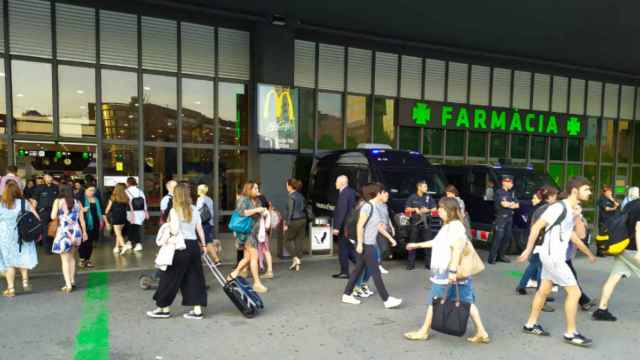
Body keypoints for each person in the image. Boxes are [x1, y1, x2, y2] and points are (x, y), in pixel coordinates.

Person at [518, 176, 597, 347]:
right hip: (553, 257)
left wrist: (588, 252)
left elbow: (576, 236)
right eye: (586, 189)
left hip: (552, 257)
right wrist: (528, 249)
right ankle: (571, 333)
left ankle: (530, 324)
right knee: (575, 293)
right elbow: (536, 226)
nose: (589, 192)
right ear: (575, 191)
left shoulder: (571, 210)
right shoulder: (557, 208)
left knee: (544, 290)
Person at [404, 197, 490, 344]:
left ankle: (423, 331)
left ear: (451, 211)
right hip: (455, 273)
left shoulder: (455, 227)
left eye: (442, 208)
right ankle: (482, 332)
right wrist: (416, 245)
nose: (439, 211)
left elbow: (457, 249)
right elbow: (436, 242)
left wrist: (452, 272)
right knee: (467, 302)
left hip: (448, 272)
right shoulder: (449, 226)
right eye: (439, 208)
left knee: (434, 301)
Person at [147, 183, 207, 320]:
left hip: (179, 248)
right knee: (194, 278)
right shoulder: (194, 209)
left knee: (169, 278)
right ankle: (197, 311)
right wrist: (203, 246)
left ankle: (163, 308)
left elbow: (174, 231)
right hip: (193, 247)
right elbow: (200, 230)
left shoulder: (174, 210)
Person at [342, 183, 402, 309]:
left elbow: (378, 226)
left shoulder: (375, 206)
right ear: (377, 193)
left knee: (358, 269)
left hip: (368, 244)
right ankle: (386, 300)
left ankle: (346, 295)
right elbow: (360, 225)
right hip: (366, 244)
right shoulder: (367, 207)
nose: (386, 194)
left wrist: (391, 238)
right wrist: (359, 243)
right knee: (375, 272)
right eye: (383, 192)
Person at [592, 197, 640, 321]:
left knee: (614, 277)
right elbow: (638, 228)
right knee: (614, 277)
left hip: (622, 246)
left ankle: (601, 309)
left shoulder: (630, 204)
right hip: (634, 249)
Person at [516, 186, 559, 295]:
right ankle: (541, 290)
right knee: (541, 267)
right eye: (554, 196)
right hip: (542, 240)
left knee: (534, 264)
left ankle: (522, 285)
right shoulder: (547, 209)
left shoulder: (539, 208)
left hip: (537, 240)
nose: (556, 198)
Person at [228, 182, 269, 293]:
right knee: (254, 257)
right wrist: (257, 210)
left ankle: (233, 274)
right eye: (255, 188)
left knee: (247, 258)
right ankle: (257, 283)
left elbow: (260, 212)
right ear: (249, 189)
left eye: (257, 188)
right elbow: (242, 212)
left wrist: (263, 211)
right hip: (246, 233)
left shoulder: (257, 200)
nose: (257, 189)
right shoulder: (243, 199)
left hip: (253, 232)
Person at [0, 181, 39, 297]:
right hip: (23, 235)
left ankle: (11, 289)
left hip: (5, 237)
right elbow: (36, 217)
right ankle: (25, 282)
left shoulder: (1, 204)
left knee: (9, 263)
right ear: (18, 190)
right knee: (23, 257)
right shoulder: (24, 203)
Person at [51, 185, 88, 293]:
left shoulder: (58, 201)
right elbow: (82, 220)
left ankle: (68, 285)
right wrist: (84, 232)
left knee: (65, 260)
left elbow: (53, 216)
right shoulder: (77, 202)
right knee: (72, 257)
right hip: (76, 232)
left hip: (64, 232)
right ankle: (72, 281)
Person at [405, 180, 436, 270]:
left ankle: (428, 264)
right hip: (415, 223)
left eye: (426, 187)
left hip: (426, 222)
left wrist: (428, 210)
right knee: (412, 242)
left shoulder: (428, 197)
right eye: (424, 187)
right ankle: (410, 264)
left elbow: (435, 208)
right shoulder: (412, 197)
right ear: (419, 187)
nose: (426, 188)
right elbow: (406, 209)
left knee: (428, 243)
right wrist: (415, 209)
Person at [488, 175, 519, 264]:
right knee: (498, 238)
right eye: (509, 182)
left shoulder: (511, 193)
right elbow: (503, 204)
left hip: (509, 218)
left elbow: (517, 205)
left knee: (507, 238)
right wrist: (511, 204)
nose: (511, 184)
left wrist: (510, 204)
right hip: (501, 218)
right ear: (504, 182)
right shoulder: (499, 192)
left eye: (512, 182)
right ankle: (492, 258)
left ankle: (501, 256)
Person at [332, 175, 358, 279]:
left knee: (343, 249)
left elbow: (342, 212)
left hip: (344, 227)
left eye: (336, 182)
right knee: (349, 248)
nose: (335, 183)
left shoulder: (343, 194)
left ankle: (344, 272)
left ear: (342, 183)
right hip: (350, 225)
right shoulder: (351, 191)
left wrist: (337, 227)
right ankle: (363, 264)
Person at [30, 174, 59, 254]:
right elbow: (34, 201)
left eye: (50, 177)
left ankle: (54, 246)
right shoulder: (39, 188)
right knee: (45, 231)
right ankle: (47, 249)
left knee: (54, 229)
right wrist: (34, 212)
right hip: (43, 212)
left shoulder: (56, 187)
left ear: (52, 178)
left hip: (54, 211)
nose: (48, 179)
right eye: (47, 177)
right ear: (44, 178)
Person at [283, 178, 307, 272]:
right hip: (303, 220)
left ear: (289, 186)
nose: (286, 187)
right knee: (298, 241)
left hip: (294, 221)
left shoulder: (291, 196)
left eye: (286, 185)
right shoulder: (300, 195)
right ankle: (296, 263)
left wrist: (287, 224)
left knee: (286, 240)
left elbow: (290, 211)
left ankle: (295, 258)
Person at [80, 185, 103, 269]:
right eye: (90, 190)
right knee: (84, 242)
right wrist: (82, 210)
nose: (92, 192)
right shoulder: (81, 199)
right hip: (84, 223)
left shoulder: (96, 199)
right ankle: (82, 259)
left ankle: (87, 260)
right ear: (85, 190)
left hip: (95, 223)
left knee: (90, 243)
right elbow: (75, 210)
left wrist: (102, 221)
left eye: (93, 190)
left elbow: (99, 211)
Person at [104, 183, 131, 255]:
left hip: (115, 217)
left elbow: (107, 210)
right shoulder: (126, 197)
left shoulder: (113, 197)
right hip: (123, 217)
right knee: (119, 233)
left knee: (118, 234)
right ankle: (116, 247)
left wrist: (106, 214)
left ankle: (123, 245)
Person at [196, 184, 220, 265]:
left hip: (203, 223)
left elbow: (198, 212)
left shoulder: (200, 199)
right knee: (200, 240)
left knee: (207, 241)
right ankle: (201, 255)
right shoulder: (209, 199)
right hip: (209, 222)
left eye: (198, 189)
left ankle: (216, 259)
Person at [255, 184, 273, 279]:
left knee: (256, 249)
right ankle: (268, 270)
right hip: (264, 231)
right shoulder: (266, 208)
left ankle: (259, 267)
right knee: (265, 249)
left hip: (258, 231)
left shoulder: (256, 203)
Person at [126, 177, 148, 252]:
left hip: (130, 212)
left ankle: (135, 243)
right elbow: (144, 202)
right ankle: (131, 242)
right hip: (140, 212)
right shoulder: (140, 191)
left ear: (128, 183)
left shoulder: (126, 191)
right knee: (136, 228)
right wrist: (146, 212)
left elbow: (127, 202)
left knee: (131, 228)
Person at [597, 186, 620, 257]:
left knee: (609, 236)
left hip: (612, 221)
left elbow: (618, 205)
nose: (609, 193)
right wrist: (614, 208)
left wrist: (612, 200)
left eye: (609, 191)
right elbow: (606, 209)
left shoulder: (612, 199)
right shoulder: (601, 199)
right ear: (604, 193)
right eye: (607, 191)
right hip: (603, 221)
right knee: (602, 236)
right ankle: (599, 252)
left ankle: (607, 250)